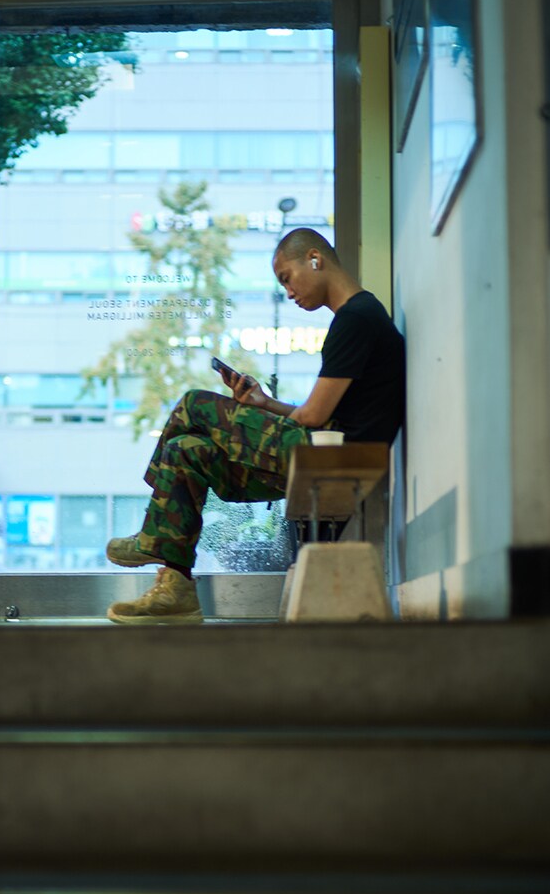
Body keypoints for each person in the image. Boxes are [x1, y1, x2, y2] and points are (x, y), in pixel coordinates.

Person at [105, 227, 405, 625]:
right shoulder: (359, 317)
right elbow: (320, 413)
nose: (289, 292)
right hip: (323, 445)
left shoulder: (357, 317)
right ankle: (176, 588)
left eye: (287, 278)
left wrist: (269, 411)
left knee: (195, 403)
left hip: (331, 452)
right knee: (184, 452)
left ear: (315, 259)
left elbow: (314, 417)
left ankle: (154, 533)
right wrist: (263, 403)